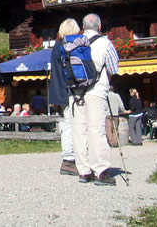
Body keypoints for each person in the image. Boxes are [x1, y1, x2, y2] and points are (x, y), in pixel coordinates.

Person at [70, 13, 120, 186]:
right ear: (99, 27)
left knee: (79, 131)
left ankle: (84, 171)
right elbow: (113, 69)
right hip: (96, 91)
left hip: (75, 93)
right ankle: (100, 171)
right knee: (96, 130)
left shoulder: (72, 43)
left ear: (82, 28)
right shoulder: (105, 43)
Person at [49, 17, 81, 177]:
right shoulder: (76, 46)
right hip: (76, 91)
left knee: (67, 125)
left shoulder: (57, 47)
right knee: (75, 125)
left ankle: (69, 160)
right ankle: (71, 160)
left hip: (61, 92)